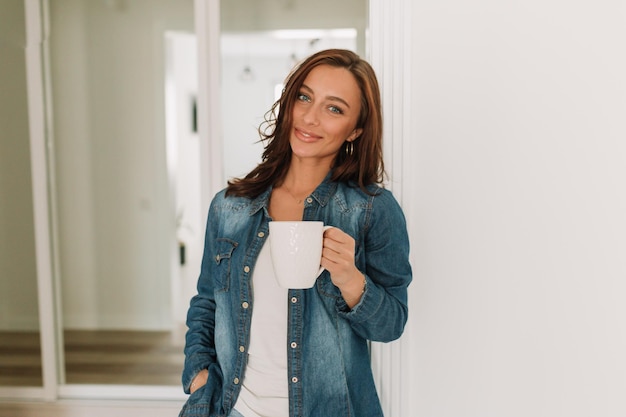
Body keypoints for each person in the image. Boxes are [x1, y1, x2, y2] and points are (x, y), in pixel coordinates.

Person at [179, 48, 412, 417]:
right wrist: (199, 376)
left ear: (355, 129)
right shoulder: (230, 206)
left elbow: (391, 325)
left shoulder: (372, 210)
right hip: (233, 408)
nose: (310, 117)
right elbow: (207, 302)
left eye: (333, 108)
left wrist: (351, 280)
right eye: (304, 97)